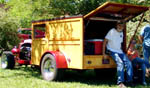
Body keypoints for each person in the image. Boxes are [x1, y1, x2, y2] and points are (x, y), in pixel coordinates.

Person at [103, 21, 133, 88]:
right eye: (119, 25)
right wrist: (104, 53)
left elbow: (119, 44)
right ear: (116, 25)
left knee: (129, 63)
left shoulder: (122, 33)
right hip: (112, 51)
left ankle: (129, 81)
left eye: (122, 26)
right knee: (120, 63)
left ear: (123, 27)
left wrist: (124, 53)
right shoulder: (112, 31)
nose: (120, 27)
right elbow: (105, 41)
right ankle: (120, 83)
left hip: (120, 51)